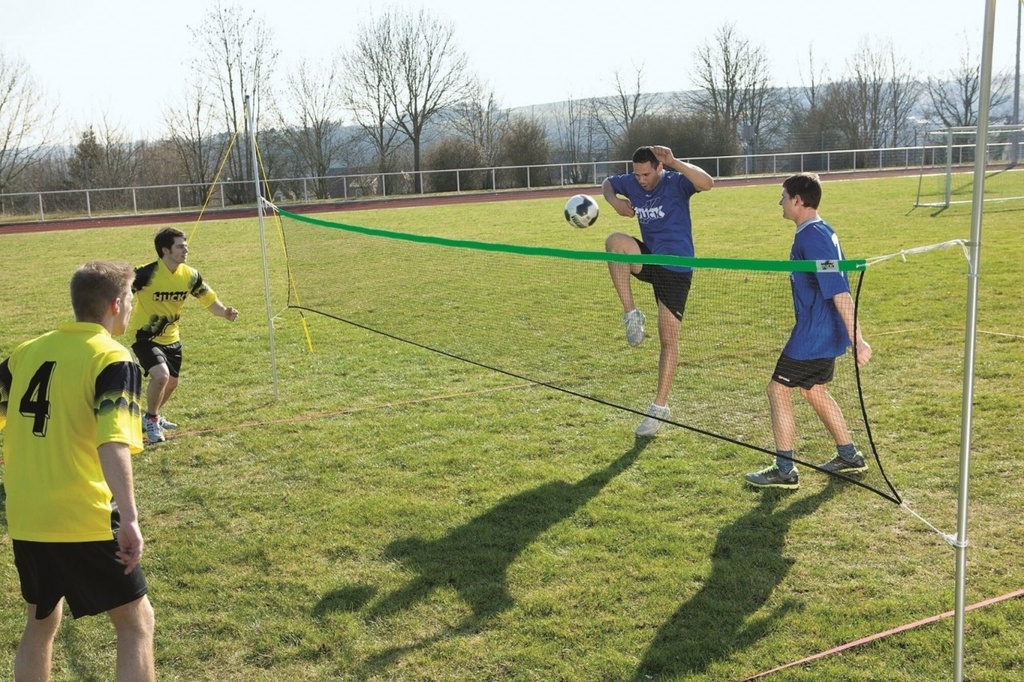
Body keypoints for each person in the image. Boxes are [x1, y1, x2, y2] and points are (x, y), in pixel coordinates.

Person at [0, 261, 155, 681]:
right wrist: (130, 518)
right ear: (115, 305)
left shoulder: (26, 352)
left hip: (27, 515)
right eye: (130, 299)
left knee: (41, 620)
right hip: (84, 514)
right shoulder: (112, 358)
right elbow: (113, 442)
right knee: (136, 623)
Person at [745, 173, 873, 489]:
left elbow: (839, 291)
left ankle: (784, 470)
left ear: (798, 200)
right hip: (822, 332)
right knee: (813, 389)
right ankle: (849, 456)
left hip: (813, 336)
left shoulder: (813, 237)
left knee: (777, 390)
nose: (780, 202)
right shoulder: (817, 231)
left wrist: (858, 340)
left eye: (783, 197)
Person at [603, 145, 715, 437]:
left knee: (668, 337)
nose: (640, 180)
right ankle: (631, 314)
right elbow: (608, 184)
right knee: (615, 242)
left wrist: (675, 161)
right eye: (637, 175)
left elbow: (708, 183)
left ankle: (659, 407)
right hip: (650, 259)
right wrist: (614, 202)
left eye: (646, 174)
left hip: (677, 269)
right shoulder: (632, 182)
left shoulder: (676, 182)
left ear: (659, 168)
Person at [129, 227, 239, 443]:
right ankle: (152, 420)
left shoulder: (190, 275)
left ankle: (151, 416)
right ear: (165, 250)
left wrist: (224, 312)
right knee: (161, 376)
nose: (185, 251)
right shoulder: (145, 274)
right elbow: (121, 294)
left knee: (171, 384)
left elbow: (208, 299)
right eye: (180, 247)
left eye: (185, 246)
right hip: (145, 336)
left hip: (172, 337)